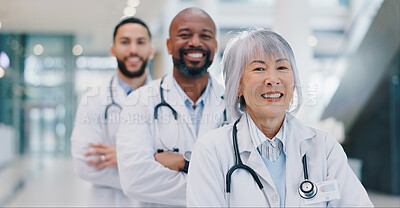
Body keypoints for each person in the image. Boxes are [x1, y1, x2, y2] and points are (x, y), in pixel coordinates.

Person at [186, 29, 373, 207]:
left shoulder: (324, 147)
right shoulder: (211, 151)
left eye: (282, 67)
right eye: (259, 69)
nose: (273, 79)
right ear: (237, 86)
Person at [116, 7, 227, 207]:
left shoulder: (235, 104)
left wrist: (184, 163)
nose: (195, 42)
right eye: (185, 35)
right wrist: (216, 185)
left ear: (215, 45)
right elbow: (135, 181)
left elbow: (246, 178)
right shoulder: (140, 101)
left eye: (205, 35)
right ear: (169, 45)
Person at [70, 17, 154, 206]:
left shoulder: (168, 100)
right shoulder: (93, 100)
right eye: (125, 42)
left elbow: (179, 162)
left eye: (140, 42)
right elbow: (85, 165)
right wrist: (152, 165)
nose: (133, 49)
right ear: (112, 49)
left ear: (151, 50)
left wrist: (123, 157)